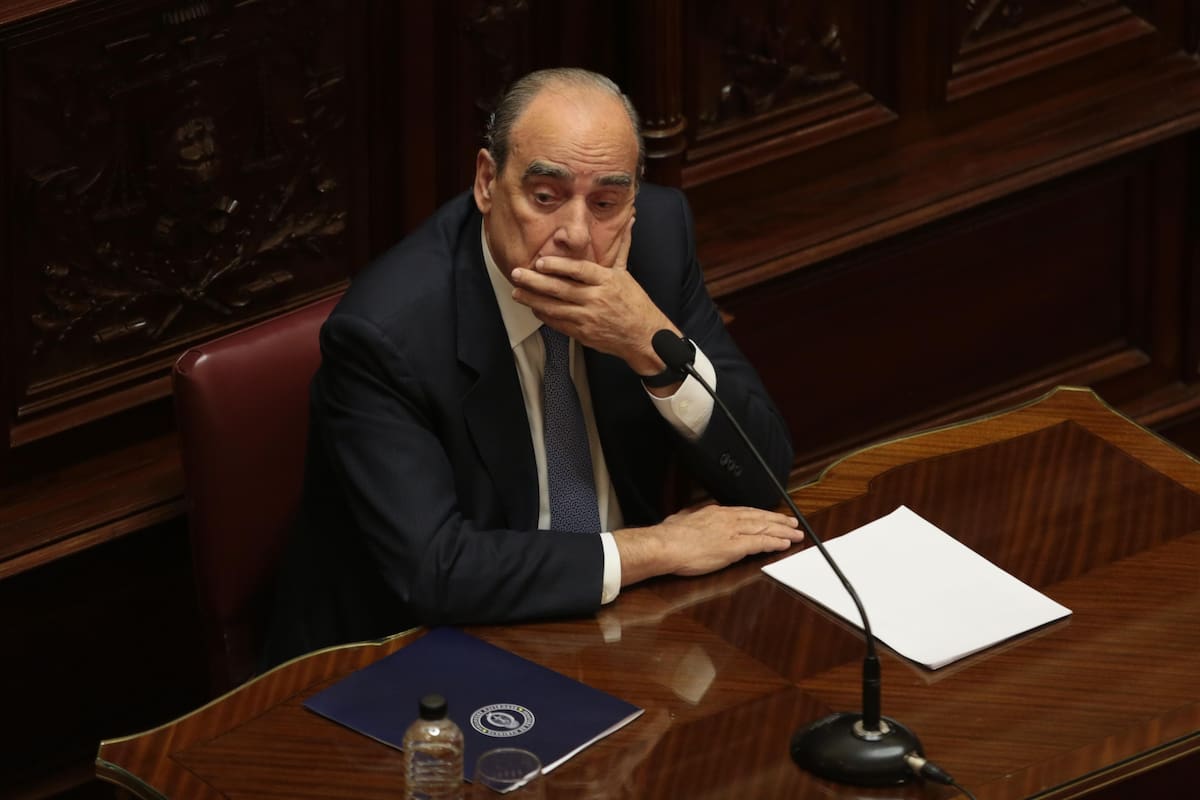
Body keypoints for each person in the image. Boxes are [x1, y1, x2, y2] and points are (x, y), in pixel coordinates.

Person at [261, 68, 800, 667]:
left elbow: (763, 478)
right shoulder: (387, 332)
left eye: (605, 203)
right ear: (488, 181)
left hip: (630, 629)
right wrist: (653, 549)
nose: (575, 234)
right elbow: (436, 570)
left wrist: (649, 345)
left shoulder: (657, 246)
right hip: (427, 656)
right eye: (545, 198)